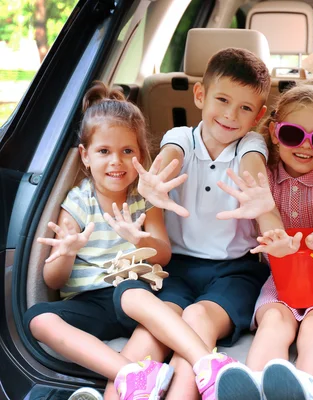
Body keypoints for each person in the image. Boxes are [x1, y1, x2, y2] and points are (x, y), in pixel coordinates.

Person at [102, 47, 273, 400]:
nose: (230, 115)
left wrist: (259, 195)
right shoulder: (181, 136)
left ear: (259, 115)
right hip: (174, 269)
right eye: (222, 100)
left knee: (197, 318)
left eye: (245, 108)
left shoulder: (250, 144)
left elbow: (253, 164)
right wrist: (155, 179)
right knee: (152, 330)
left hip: (235, 271)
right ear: (200, 95)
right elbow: (170, 155)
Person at [213, 84, 313, 400]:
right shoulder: (264, 178)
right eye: (293, 135)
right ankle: (255, 386)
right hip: (280, 281)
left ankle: (308, 388)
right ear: (273, 131)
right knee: (273, 323)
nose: (306, 146)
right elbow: (263, 219)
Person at [24, 81, 175, 399]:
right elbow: (53, 278)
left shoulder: (143, 200)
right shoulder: (77, 204)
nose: (116, 161)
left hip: (134, 296)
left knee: (143, 304)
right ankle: (130, 374)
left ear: (140, 155)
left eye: (127, 151)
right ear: (86, 155)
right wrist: (67, 253)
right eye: (104, 151)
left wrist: (139, 240)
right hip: (90, 303)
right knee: (37, 319)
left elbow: (163, 256)